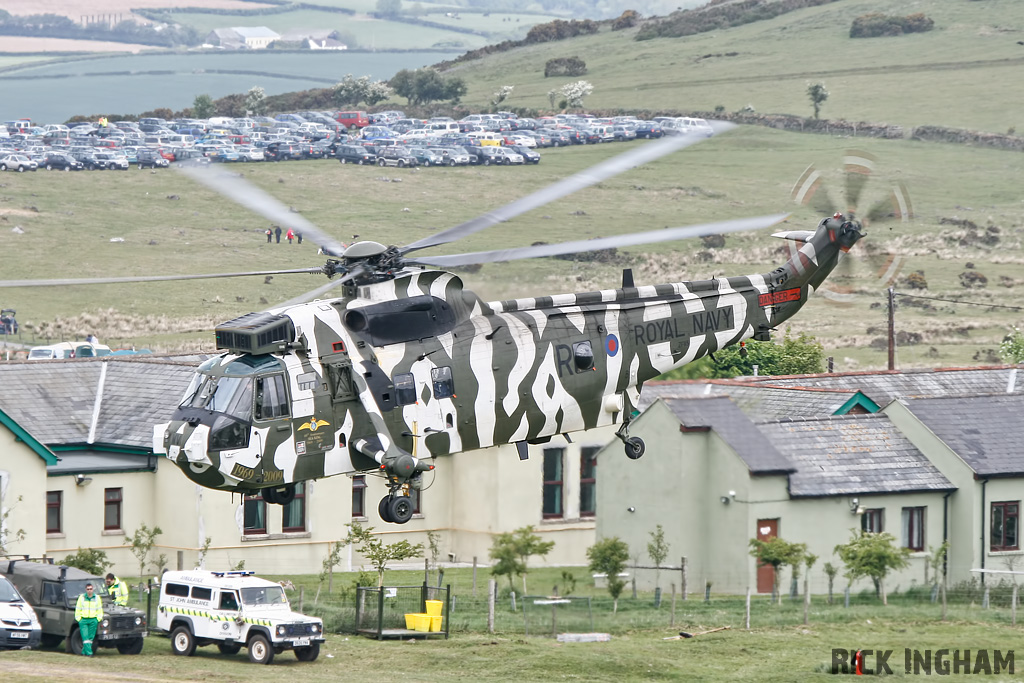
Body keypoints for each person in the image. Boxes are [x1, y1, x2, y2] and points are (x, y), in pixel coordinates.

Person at [75, 582, 103, 656]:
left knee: (90, 638)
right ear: (85, 590)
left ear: (93, 589)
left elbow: (99, 609)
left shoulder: (97, 598)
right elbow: (78, 608)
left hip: (93, 620)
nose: (89, 590)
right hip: (83, 620)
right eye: (88, 589)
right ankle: (89, 653)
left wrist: (98, 619)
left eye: (91, 589)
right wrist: (79, 619)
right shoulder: (82, 598)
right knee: (85, 637)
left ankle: (84, 652)